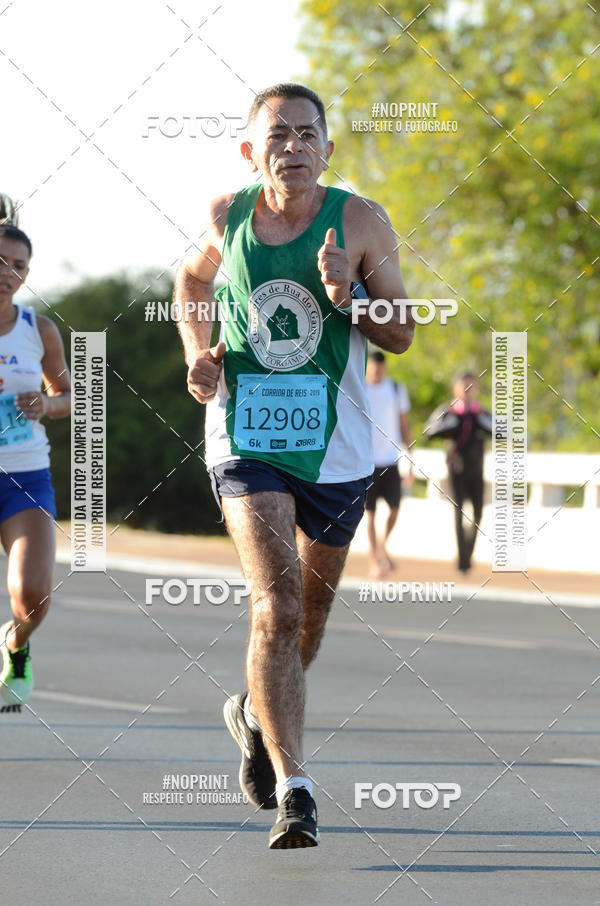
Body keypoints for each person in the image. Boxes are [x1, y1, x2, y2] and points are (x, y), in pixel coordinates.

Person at [175, 83, 414, 849]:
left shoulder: (362, 220)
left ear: (328, 148)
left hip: (336, 445)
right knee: (275, 606)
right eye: (278, 135)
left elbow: (403, 331)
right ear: (252, 151)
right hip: (245, 434)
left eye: (308, 134)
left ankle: (253, 711)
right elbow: (191, 281)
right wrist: (199, 354)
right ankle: (296, 791)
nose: (294, 146)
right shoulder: (228, 215)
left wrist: (348, 297)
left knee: (307, 621)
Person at [0, 195, 71, 712]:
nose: (9, 274)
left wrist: (46, 404)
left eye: (19, 266)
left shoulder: (38, 329)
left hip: (24, 477)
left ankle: (15, 644)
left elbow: (70, 397)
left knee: (34, 594)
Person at [424, 373, 492, 573]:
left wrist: (482, 421)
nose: (467, 390)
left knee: (478, 512)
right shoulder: (447, 411)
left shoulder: (481, 413)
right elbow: (429, 431)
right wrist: (449, 424)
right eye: (464, 386)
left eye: (471, 386)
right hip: (456, 469)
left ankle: (467, 554)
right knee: (459, 511)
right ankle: (463, 561)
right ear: (455, 389)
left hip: (477, 469)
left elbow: (502, 431)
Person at [364, 350, 414, 578]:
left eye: (380, 369)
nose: (377, 372)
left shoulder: (395, 389)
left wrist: (410, 459)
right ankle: (374, 560)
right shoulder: (360, 388)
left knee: (394, 509)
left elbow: (404, 424)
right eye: (374, 368)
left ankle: (382, 546)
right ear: (368, 367)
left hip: (391, 460)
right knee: (370, 514)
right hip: (367, 461)